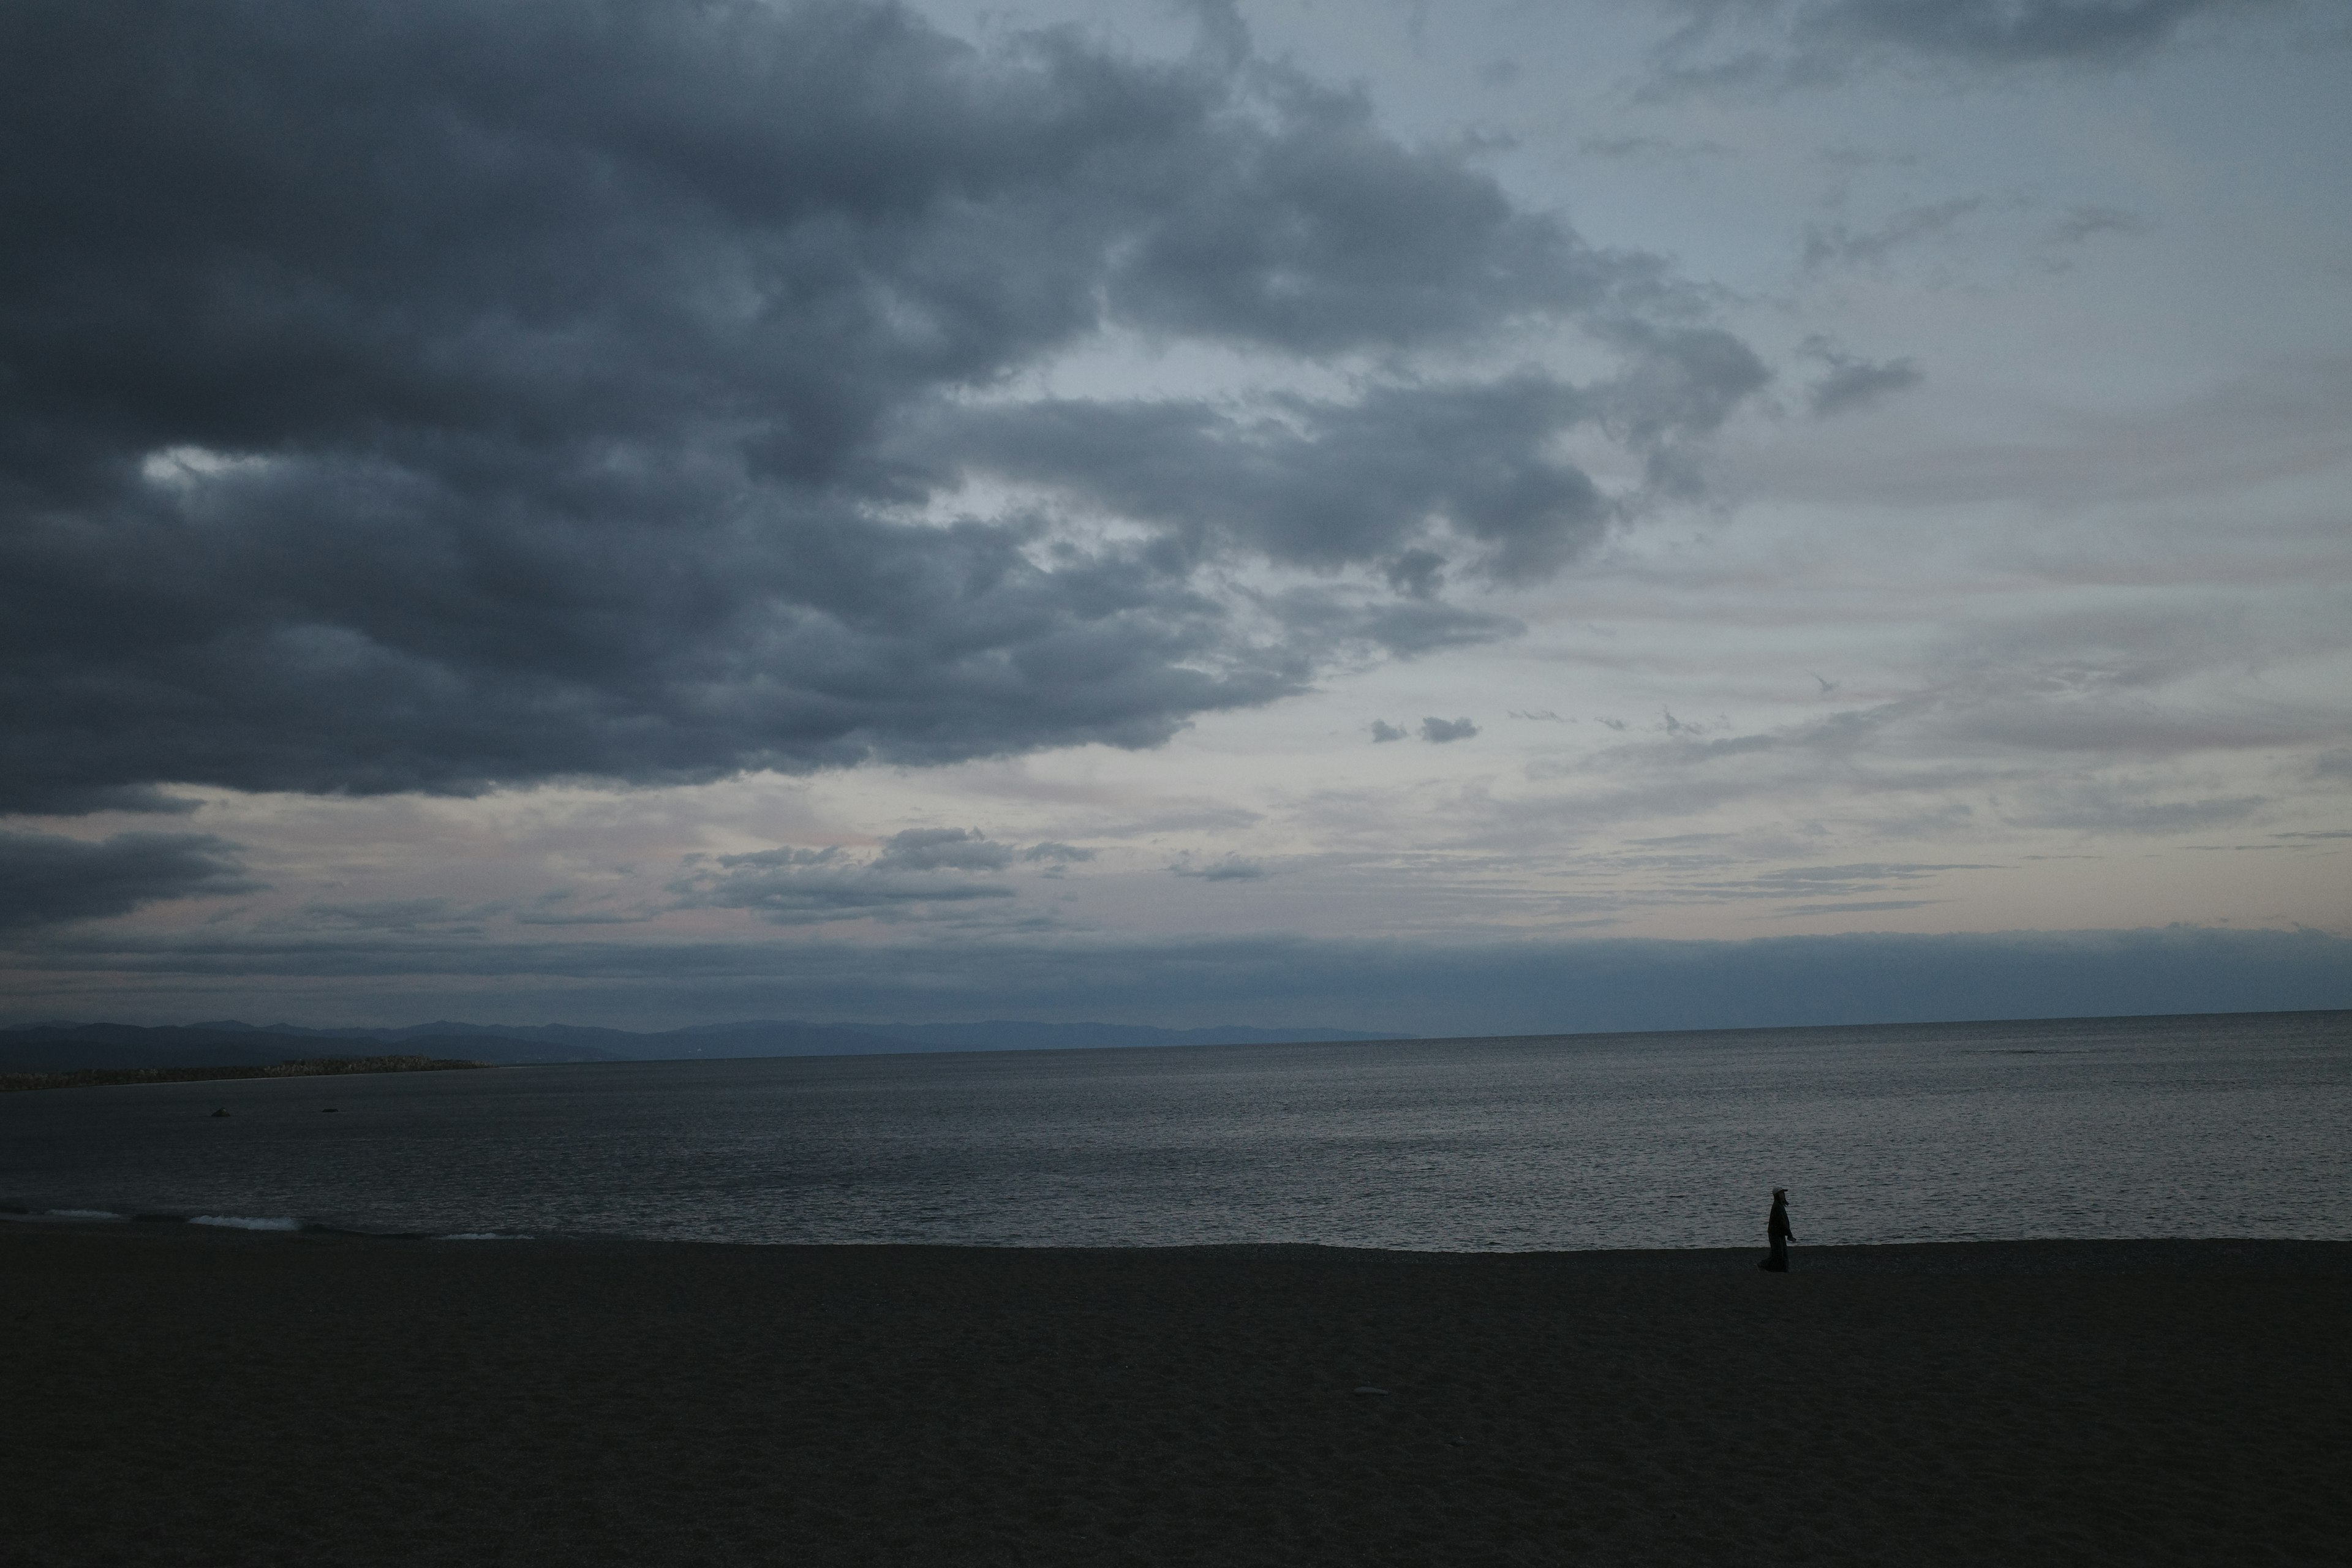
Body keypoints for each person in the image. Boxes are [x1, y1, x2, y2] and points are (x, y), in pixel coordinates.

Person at [1758, 1188, 1792, 1272]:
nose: (1783, 1195)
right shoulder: (1777, 1207)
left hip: (1780, 1233)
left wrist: (1788, 1233)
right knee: (1778, 1254)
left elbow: (1783, 1222)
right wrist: (1789, 1234)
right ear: (1777, 1195)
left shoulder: (1780, 1205)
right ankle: (1762, 1265)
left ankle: (1783, 1270)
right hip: (1775, 1234)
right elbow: (1782, 1222)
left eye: (1783, 1193)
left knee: (1781, 1254)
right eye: (1781, 1193)